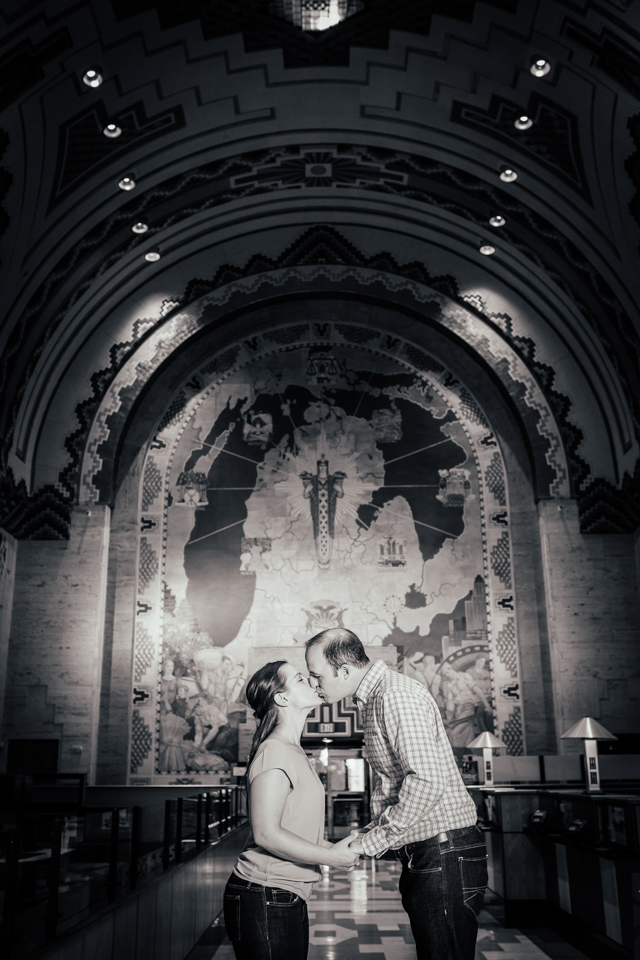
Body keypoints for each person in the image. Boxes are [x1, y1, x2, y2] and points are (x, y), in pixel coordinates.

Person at [305, 628, 488, 960]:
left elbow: (427, 780)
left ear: (343, 670)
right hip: (432, 848)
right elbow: (397, 785)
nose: (315, 684)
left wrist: (369, 843)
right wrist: (368, 835)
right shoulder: (379, 695)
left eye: (317, 676)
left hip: (443, 848)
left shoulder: (394, 694)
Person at [223, 660, 359, 960]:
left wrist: (335, 848)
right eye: (300, 679)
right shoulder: (274, 750)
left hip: (283, 894)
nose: (312, 681)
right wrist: (332, 857)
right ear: (282, 698)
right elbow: (267, 835)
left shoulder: (293, 750)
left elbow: (294, 831)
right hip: (263, 892)